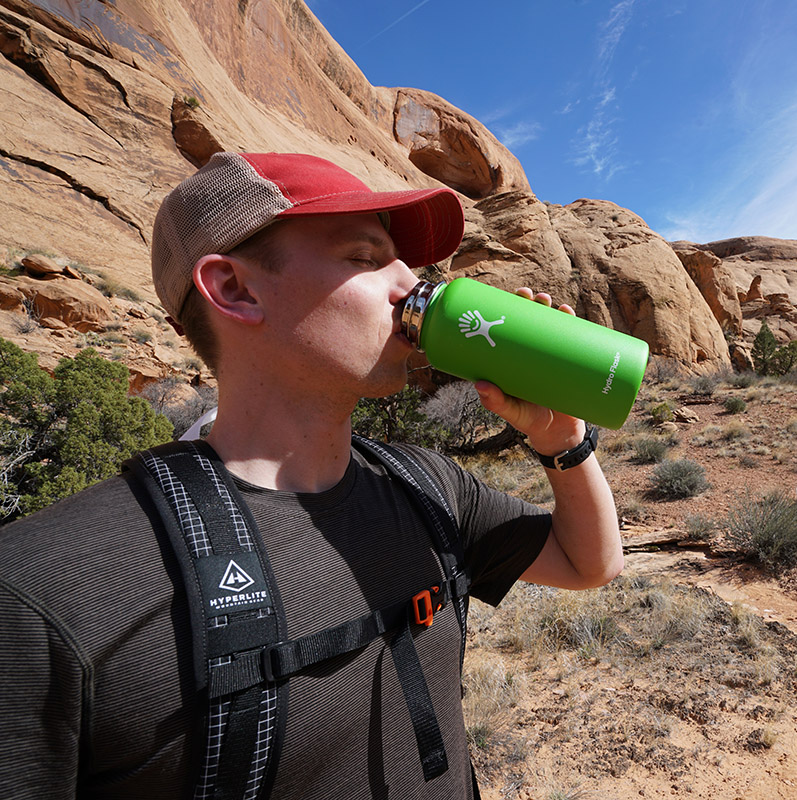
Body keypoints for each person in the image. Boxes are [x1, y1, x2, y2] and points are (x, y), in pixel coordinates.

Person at [0, 152, 624, 799]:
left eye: (405, 263)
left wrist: (561, 439)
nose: (411, 284)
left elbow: (589, 563)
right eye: (365, 256)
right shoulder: (44, 594)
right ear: (236, 289)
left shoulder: (427, 486)